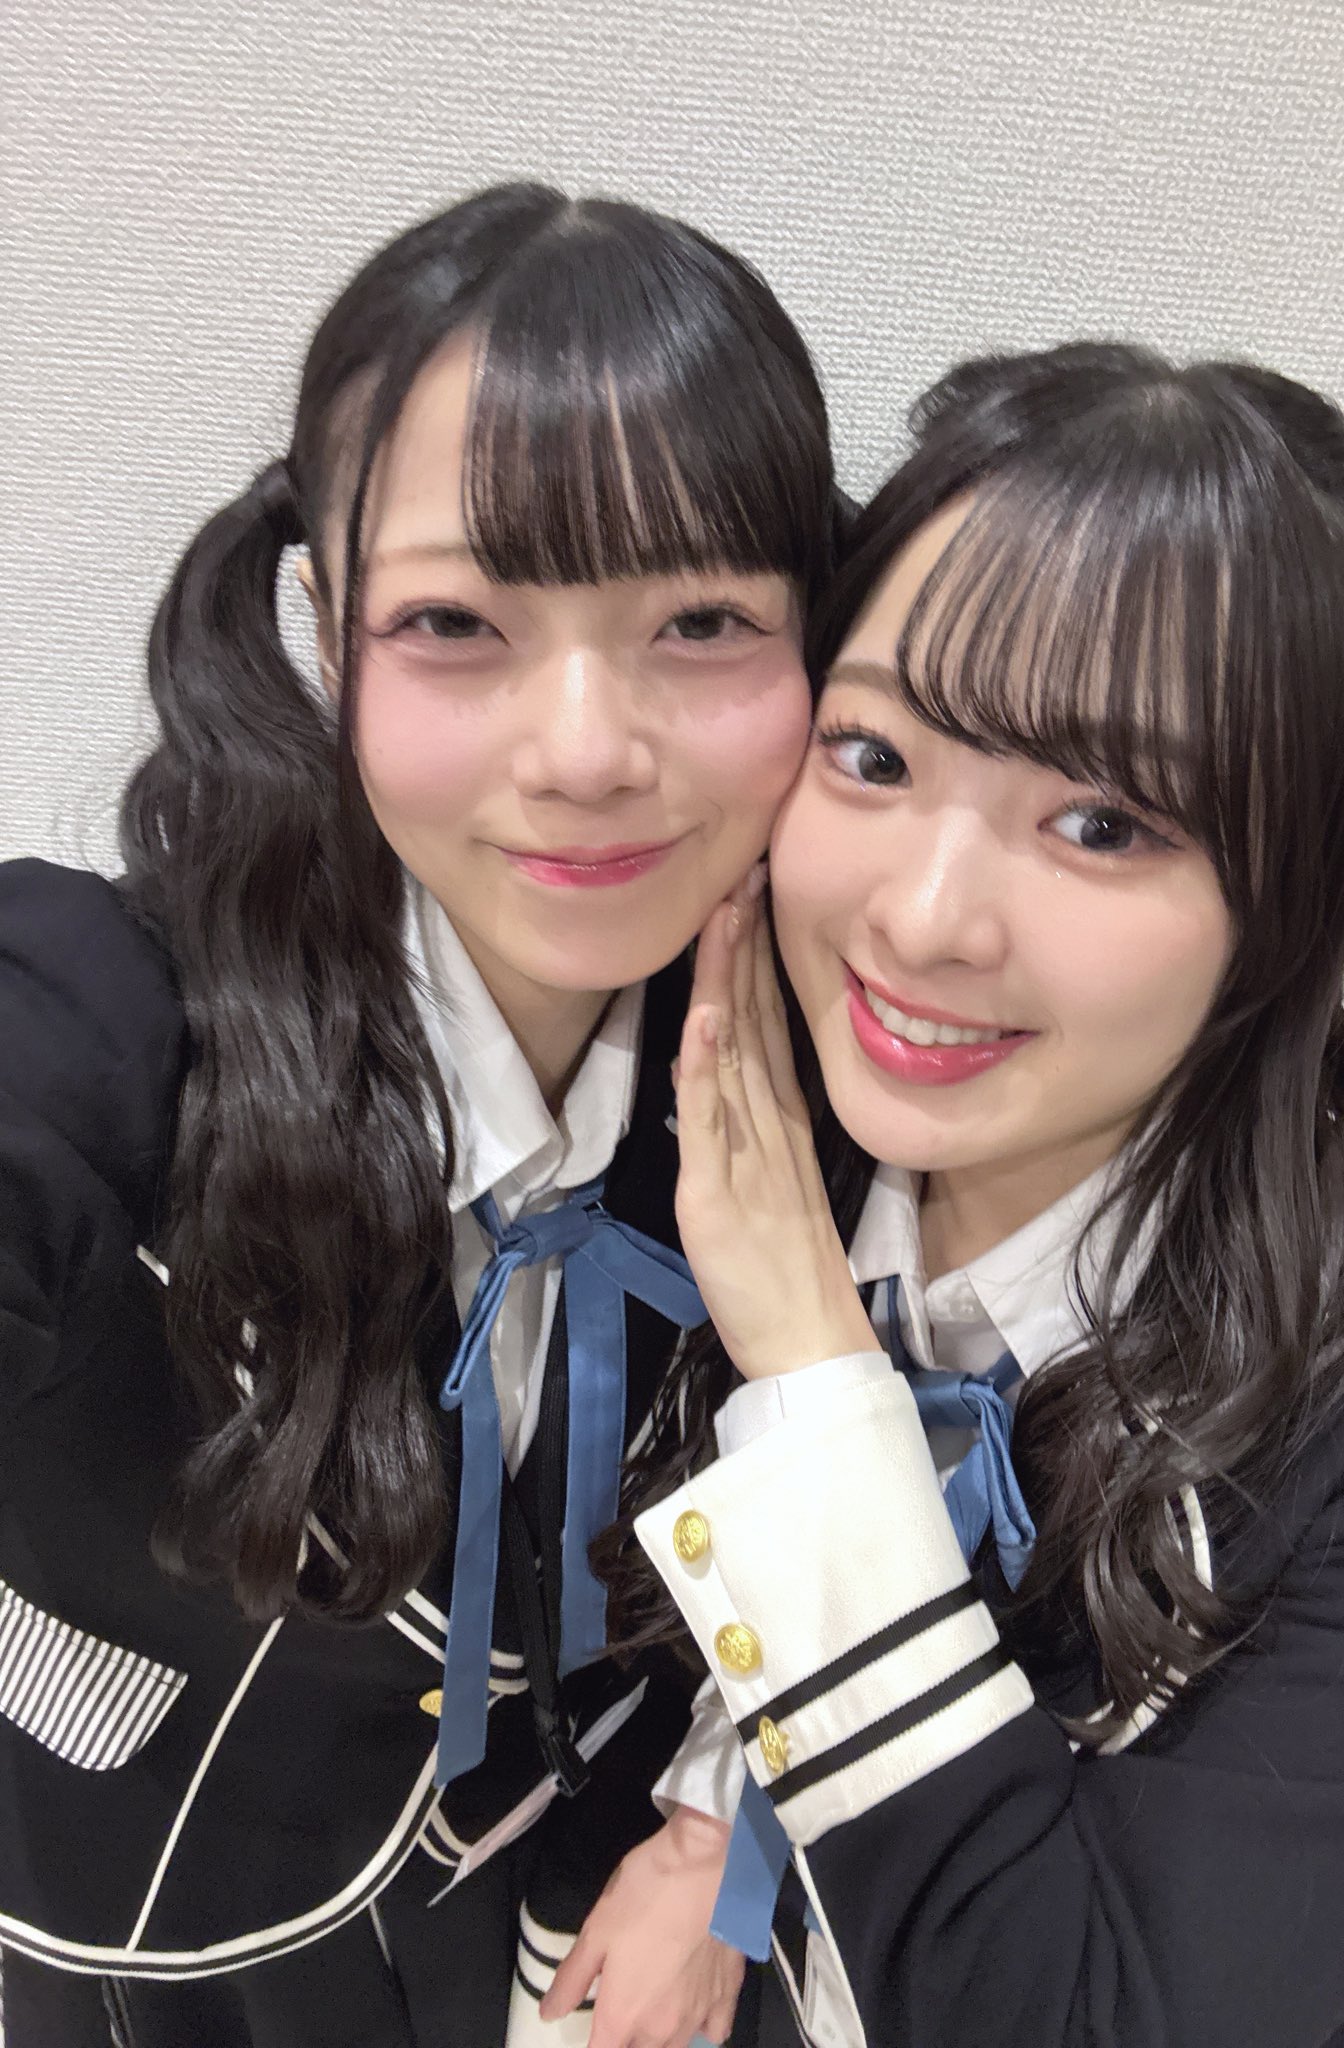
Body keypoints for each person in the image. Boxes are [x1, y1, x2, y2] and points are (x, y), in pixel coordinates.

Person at [573, 345, 1344, 2047]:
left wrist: (812, 1367)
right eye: (874, 756)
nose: (923, 919)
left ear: (1287, 903)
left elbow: (1076, 2016)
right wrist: (714, 1824)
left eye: (1102, 824)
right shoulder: (731, 1113)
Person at [0, 179, 839, 2048]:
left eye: (703, 618)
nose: (586, 749)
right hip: (154, 1915)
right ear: (328, 630)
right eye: (459, 621)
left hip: (549, 1903)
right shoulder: (97, 1017)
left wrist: (728, 1818)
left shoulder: (816, 1060)